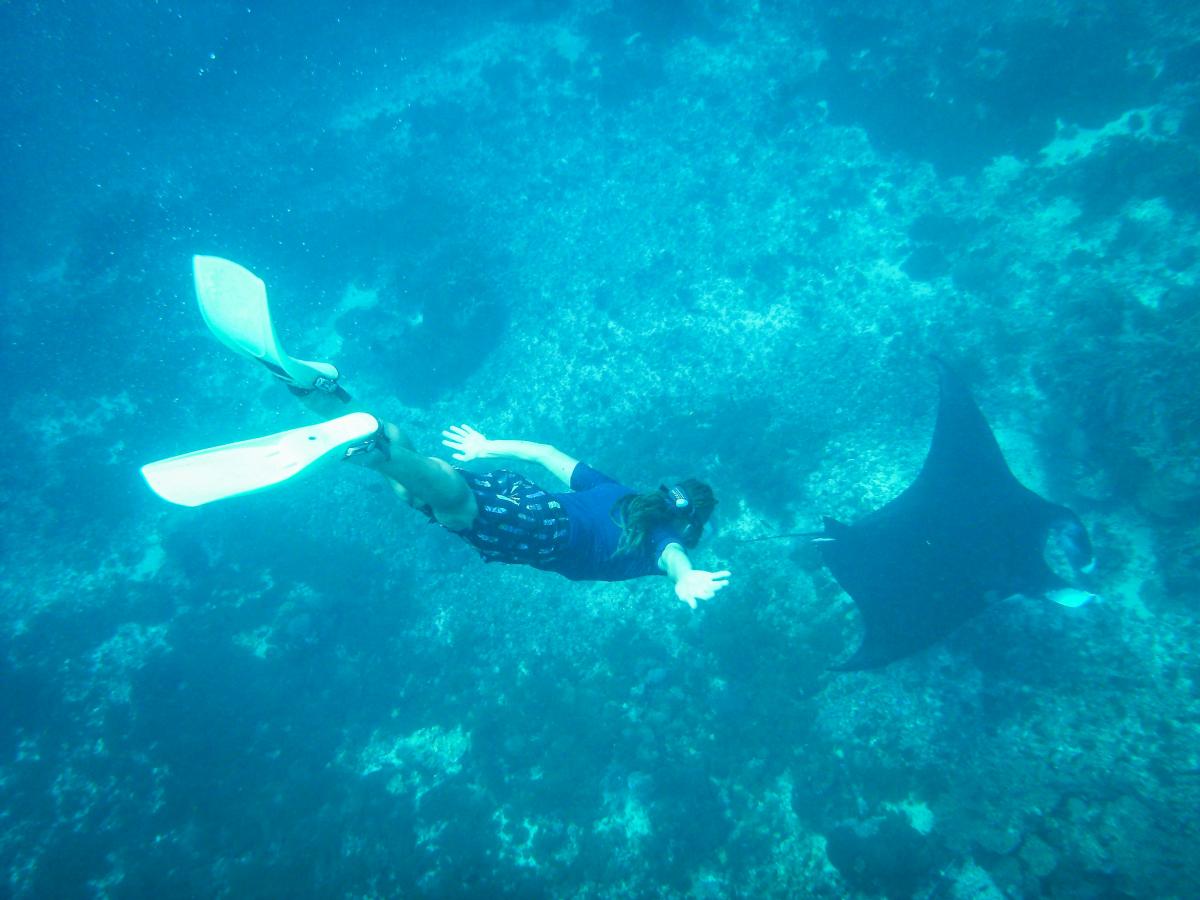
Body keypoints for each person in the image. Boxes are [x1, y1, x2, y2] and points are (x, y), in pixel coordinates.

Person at [141, 256, 731, 608]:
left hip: (528, 498)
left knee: (413, 482)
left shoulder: (621, 492)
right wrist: (686, 580)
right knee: (447, 500)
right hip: (540, 531)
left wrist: (486, 447)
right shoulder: (661, 539)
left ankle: (322, 393)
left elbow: (546, 452)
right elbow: (674, 557)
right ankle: (366, 444)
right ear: (687, 521)